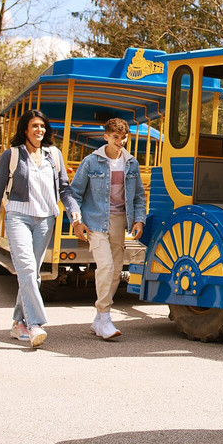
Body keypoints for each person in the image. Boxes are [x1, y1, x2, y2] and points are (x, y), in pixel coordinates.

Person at [0, 109, 82, 348]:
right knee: (26, 269)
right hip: (18, 217)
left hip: (46, 219)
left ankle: (18, 323)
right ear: (25, 130)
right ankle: (36, 323)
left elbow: (64, 189)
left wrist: (73, 210)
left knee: (33, 274)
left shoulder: (53, 155)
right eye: (35, 126)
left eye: (42, 126)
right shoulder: (12, 155)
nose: (40, 130)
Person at [69, 117, 147, 340]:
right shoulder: (92, 161)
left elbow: (139, 196)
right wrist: (77, 221)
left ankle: (99, 318)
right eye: (115, 138)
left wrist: (139, 220)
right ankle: (104, 316)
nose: (120, 142)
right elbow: (74, 193)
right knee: (104, 266)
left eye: (124, 138)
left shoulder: (131, 163)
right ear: (106, 137)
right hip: (95, 221)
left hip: (119, 222)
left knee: (115, 271)